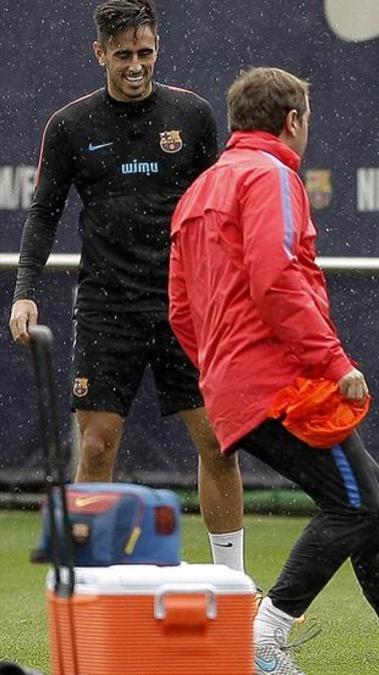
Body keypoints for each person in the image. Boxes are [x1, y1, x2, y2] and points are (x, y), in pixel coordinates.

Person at [168, 66, 379, 675]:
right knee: (356, 505)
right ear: (292, 122)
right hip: (281, 382)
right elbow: (276, 278)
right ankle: (261, 636)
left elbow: (181, 310)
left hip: (234, 385)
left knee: (374, 496)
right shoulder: (272, 175)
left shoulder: (199, 190)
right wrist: (332, 360)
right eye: (307, 121)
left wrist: (222, 373)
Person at [7, 0, 245, 572]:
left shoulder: (192, 115)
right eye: (122, 55)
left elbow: (218, 208)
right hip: (106, 308)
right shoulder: (70, 125)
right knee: (95, 445)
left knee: (217, 443)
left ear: (157, 48)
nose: (135, 65)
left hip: (186, 308)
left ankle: (234, 585)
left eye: (145, 53)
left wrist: (229, 288)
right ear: (99, 54)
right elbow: (44, 212)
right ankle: (90, 586)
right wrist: (25, 288)